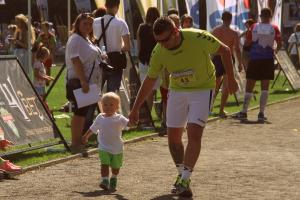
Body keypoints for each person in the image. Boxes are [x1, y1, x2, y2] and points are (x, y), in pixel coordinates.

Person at [129, 17, 238, 197]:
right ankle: (182, 178)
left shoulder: (198, 37)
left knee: (194, 132)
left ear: (176, 33)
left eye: (165, 40)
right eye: (158, 41)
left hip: (203, 88)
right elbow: (149, 80)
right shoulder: (159, 51)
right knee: (173, 139)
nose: (162, 45)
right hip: (178, 90)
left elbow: (225, 51)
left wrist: (231, 79)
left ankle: (185, 177)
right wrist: (135, 109)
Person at [234, 8, 282, 122]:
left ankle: (244, 112)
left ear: (261, 16)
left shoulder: (254, 26)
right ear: (270, 16)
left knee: (249, 86)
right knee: (265, 87)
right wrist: (275, 51)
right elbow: (280, 43)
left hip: (255, 59)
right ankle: (261, 113)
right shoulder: (274, 28)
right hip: (268, 59)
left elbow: (248, 42)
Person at [65, 13, 102, 153]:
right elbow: (75, 61)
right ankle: (75, 143)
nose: (88, 26)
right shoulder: (75, 39)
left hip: (90, 81)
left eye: (90, 24)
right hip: (79, 81)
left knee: (84, 112)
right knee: (80, 112)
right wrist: (83, 81)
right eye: (85, 23)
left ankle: (79, 140)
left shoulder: (87, 39)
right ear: (78, 24)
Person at [82, 92, 130, 190]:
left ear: (117, 106)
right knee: (104, 163)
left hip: (117, 148)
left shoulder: (120, 118)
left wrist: (133, 121)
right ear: (101, 105)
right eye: (105, 105)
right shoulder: (100, 117)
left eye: (111, 105)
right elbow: (93, 128)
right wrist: (86, 136)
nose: (108, 107)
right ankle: (105, 180)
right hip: (103, 146)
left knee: (115, 168)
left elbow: (129, 124)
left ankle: (114, 178)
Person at [211, 11, 244, 118]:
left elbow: (210, 47)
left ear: (222, 18)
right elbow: (237, 50)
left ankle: (209, 108)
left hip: (216, 57)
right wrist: (240, 63)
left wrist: (210, 59)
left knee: (214, 85)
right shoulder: (233, 33)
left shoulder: (215, 31)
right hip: (228, 58)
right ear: (230, 19)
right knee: (226, 85)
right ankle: (221, 110)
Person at [93, 0, 130, 92]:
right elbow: (127, 47)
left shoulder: (94, 22)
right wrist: (119, 48)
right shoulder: (121, 23)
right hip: (115, 61)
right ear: (117, 6)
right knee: (112, 94)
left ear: (105, 6)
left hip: (98, 61)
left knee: (94, 94)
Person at [137, 7, 160, 113]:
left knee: (145, 89)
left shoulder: (141, 27)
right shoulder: (159, 28)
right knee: (153, 89)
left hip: (143, 61)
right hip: (156, 61)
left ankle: (146, 114)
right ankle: (149, 113)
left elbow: (139, 45)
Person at [13, 14, 36, 78]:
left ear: (22, 22)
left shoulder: (25, 31)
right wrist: (14, 42)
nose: (16, 23)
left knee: (23, 73)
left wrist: (17, 42)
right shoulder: (18, 31)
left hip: (23, 55)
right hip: (19, 54)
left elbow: (26, 46)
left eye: (17, 22)